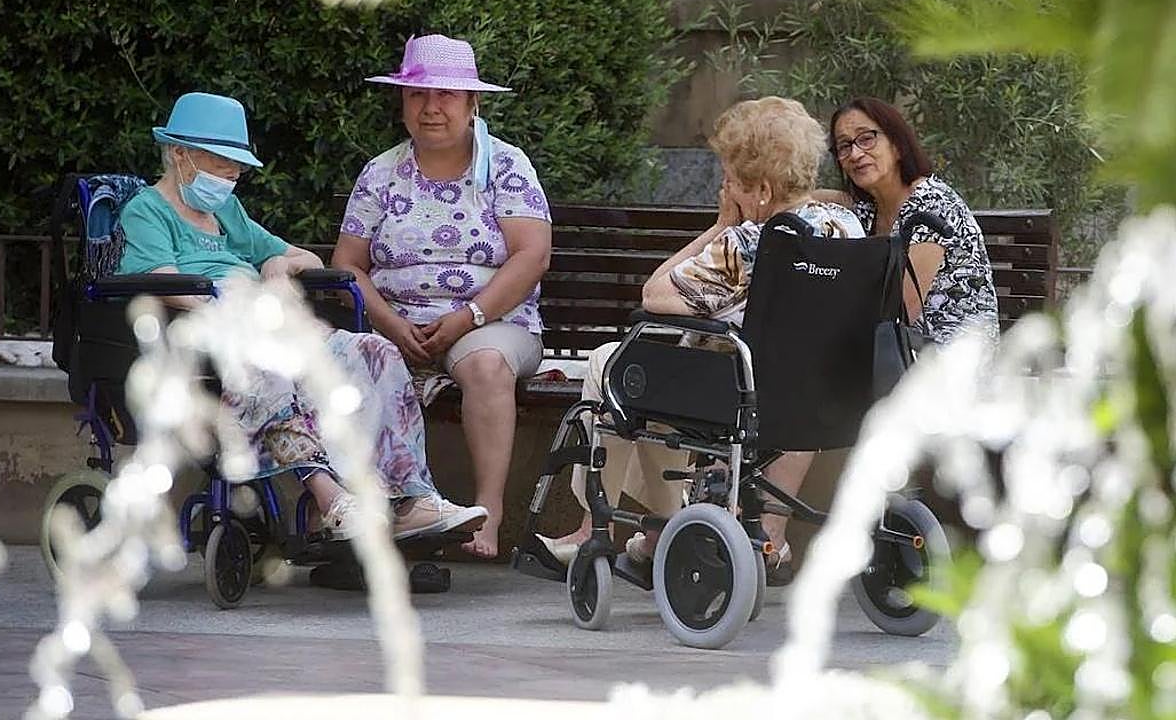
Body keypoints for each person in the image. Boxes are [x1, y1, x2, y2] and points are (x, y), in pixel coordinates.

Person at [116, 91, 487, 542]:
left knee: (375, 351)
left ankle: (412, 498)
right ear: (179, 154)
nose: (233, 174)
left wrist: (280, 264)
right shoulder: (147, 211)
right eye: (220, 162)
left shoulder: (225, 212)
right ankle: (330, 503)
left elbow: (308, 259)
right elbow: (161, 283)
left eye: (236, 164)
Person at [543, 96, 863, 585]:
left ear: (760, 189)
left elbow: (654, 294)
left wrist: (720, 228)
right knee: (653, 386)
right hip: (819, 391)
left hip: (741, 391)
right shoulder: (845, 227)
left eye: (730, 177)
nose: (724, 186)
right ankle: (657, 532)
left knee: (613, 367)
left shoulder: (750, 242)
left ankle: (616, 527)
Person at [332, 35, 552, 559]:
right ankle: (387, 513)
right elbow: (346, 265)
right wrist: (388, 323)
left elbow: (532, 255)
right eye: (417, 95)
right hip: (397, 324)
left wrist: (468, 317)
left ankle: (488, 517)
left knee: (485, 366)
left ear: (473, 103)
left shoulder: (505, 165)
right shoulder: (381, 172)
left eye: (448, 95)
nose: (431, 107)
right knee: (354, 361)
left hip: (493, 322)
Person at [819, 97, 999, 344]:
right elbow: (820, 198)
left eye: (867, 138)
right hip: (897, 350)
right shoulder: (868, 209)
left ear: (897, 144)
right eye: (844, 146)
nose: (855, 153)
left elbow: (903, 310)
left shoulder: (933, 203)